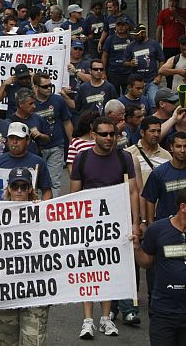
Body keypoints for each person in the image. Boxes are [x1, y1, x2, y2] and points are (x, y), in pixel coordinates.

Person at [70, 116, 141, 338]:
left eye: (113, 134)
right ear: (93, 135)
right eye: (104, 134)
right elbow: (74, 196)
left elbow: (132, 192)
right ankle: (88, 320)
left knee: (108, 272)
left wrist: (136, 223)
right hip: (88, 227)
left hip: (115, 226)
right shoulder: (82, 159)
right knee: (89, 272)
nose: (109, 138)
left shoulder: (124, 158)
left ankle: (106, 319)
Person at [133, 186, 186, 346]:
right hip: (163, 311)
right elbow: (146, 263)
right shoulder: (157, 229)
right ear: (183, 207)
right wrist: (137, 248)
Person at [0, 167, 50, 345]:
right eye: (15, 186)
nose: (20, 191)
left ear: (31, 188)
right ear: (9, 188)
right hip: (4, 291)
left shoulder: (44, 214)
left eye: (24, 186)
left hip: (36, 292)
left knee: (34, 341)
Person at [0, 122, 53, 200]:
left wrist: (41, 207)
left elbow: (47, 191)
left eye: (19, 138)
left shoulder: (38, 162)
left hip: (29, 210)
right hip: (2, 210)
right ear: (7, 140)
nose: (14, 142)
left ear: (28, 140)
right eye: (11, 138)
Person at [155, 0, 186, 87]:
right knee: (169, 67)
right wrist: (157, 43)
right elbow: (159, 28)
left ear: (177, 2)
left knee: (181, 66)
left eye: (174, 1)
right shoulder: (163, 13)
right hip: (168, 45)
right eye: (170, 1)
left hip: (180, 46)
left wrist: (176, 15)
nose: (172, 3)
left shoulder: (183, 11)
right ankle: (170, 87)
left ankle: (180, 86)